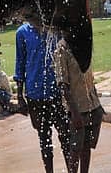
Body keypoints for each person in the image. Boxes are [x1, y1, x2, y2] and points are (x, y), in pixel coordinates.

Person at [14, 15, 75, 173]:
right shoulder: (22, 33)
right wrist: (20, 97)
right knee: (44, 139)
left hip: (57, 92)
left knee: (66, 136)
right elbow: (20, 63)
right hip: (35, 95)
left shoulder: (54, 31)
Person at [54, 38, 104, 173]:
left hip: (91, 104)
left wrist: (97, 102)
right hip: (77, 108)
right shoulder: (62, 49)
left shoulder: (83, 43)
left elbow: (89, 77)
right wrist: (74, 113)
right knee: (75, 149)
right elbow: (63, 85)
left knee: (86, 146)